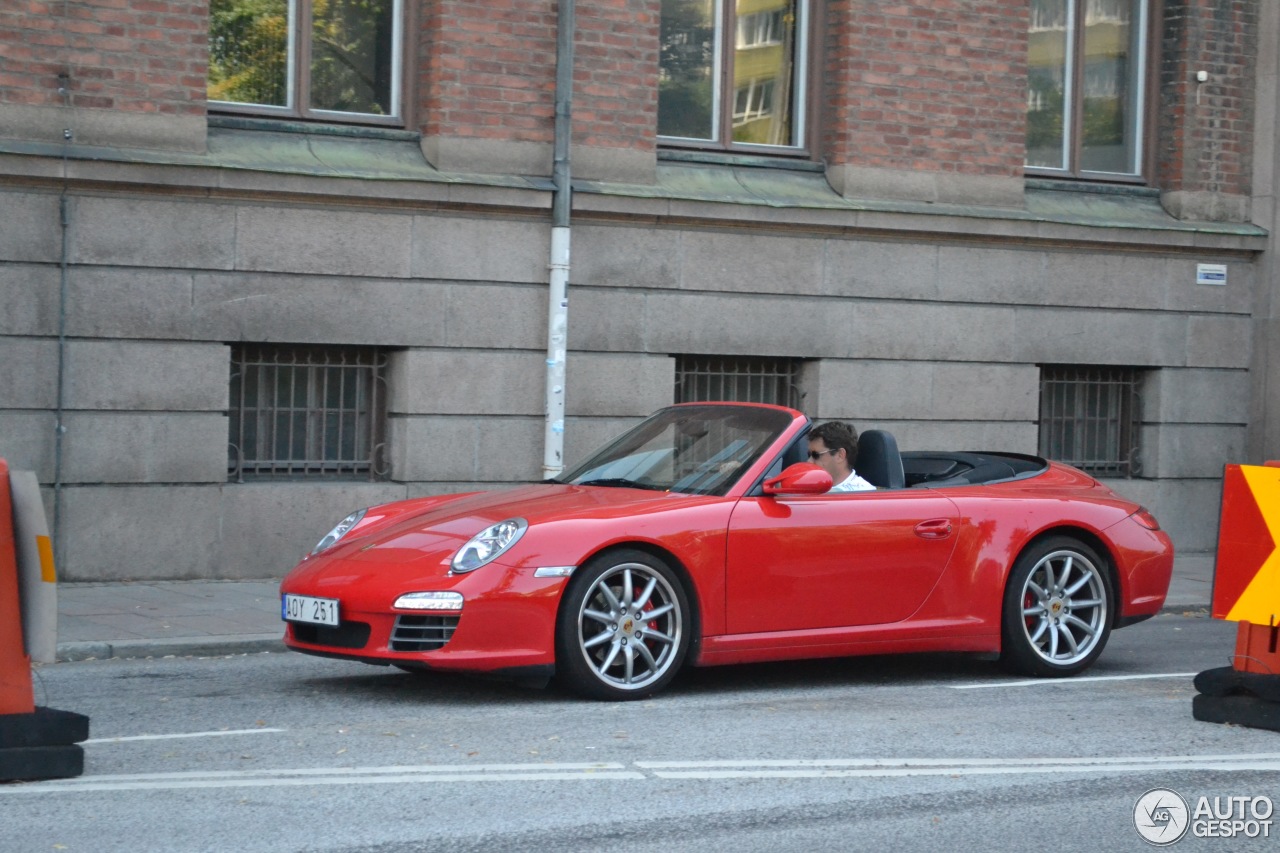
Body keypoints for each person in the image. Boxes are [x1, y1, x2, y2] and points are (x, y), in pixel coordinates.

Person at [807, 421, 875, 492]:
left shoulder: (864, 493)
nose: (809, 461)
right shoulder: (810, 487)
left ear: (840, 455)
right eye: (809, 455)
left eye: (816, 455)